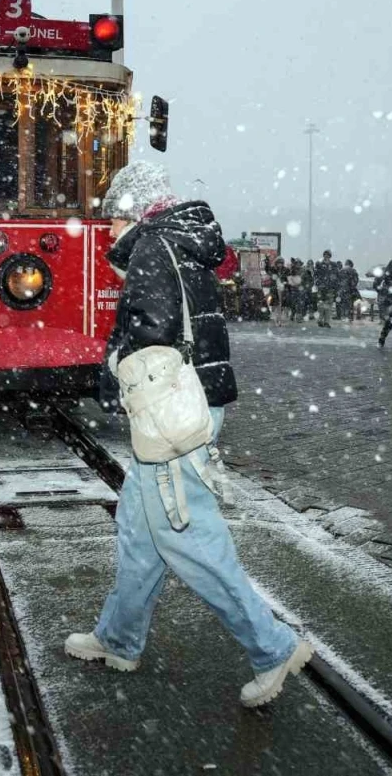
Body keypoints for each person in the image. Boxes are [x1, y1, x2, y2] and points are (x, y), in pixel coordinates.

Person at [67, 161, 314, 708]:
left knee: (187, 538)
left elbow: (152, 333)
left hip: (174, 413)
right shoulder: (182, 240)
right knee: (140, 530)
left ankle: (272, 648)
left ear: (135, 211)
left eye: (112, 217)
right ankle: (118, 639)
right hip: (195, 398)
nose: (108, 229)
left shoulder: (154, 247)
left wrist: (111, 366)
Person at [314, 250, 337, 327]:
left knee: (328, 306)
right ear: (323, 256)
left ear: (330, 256)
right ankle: (320, 320)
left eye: (328, 255)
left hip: (330, 288)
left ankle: (327, 321)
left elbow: (336, 275)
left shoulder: (333, 265)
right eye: (325, 255)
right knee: (321, 305)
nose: (326, 256)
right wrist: (318, 284)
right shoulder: (319, 264)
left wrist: (334, 285)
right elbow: (316, 275)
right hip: (321, 288)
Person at [339, 260, 360, 324]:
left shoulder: (341, 270)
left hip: (342, 290)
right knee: (350, 304)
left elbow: (338, 280)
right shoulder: (353, 271)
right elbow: (355, 281)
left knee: (343, 303)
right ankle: (349, 316)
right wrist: (352, 286)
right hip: (350, 290)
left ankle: (343, 316)